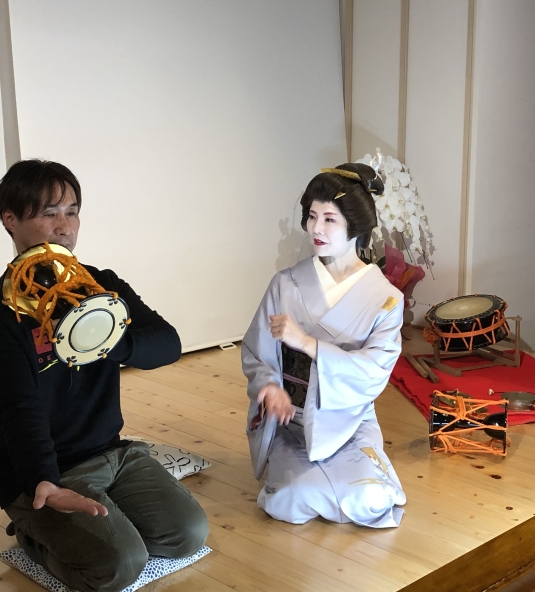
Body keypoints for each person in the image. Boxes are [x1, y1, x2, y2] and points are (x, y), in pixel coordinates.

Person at [0, 160, 209, 592]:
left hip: (112, 452)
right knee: (120, 565)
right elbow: (18, 407)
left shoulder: (101, 284)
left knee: (188, 534)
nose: (64, 227)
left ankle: (100, 522)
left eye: (72, 211)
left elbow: (168, 343)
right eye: (49, 213)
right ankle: (32, 534)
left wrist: (104, 340)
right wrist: (44, 481)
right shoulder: (5, 312)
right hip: (44, 472)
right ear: (10, 220)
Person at [242, 163, 406, 528]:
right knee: (290, 501)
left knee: (371, 500)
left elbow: (374, 370)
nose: (316, 228)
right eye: (312, 216)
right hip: (293, 424)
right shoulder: (285, 283)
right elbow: (257, 351)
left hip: (350, 421)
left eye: (330, 219)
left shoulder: (386, 299)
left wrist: (306, 343)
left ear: (355, 226)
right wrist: (269, 387)